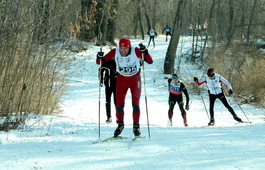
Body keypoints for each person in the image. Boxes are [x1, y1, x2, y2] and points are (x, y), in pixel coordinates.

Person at [96, 38, 153, 137]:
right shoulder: (115, 51)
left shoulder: (135, 51)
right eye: (121, 48)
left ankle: (136, 126)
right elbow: (100, 62)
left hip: (135, 80)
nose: (123, 51)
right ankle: (120, 125)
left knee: (135, 104)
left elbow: (150, 61)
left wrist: (145, 53)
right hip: (121, 81)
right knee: (119, 105)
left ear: (129, 47)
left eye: (125, 49)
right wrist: (99, 56)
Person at [98, 59, 117, 123]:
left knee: (116, 101)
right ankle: (109, 117)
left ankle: (118, 117)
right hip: (108, 84)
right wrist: (101, 81)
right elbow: (101, 69)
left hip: (117, 84)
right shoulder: (107, 61)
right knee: (108, 100)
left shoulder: (120, 60)